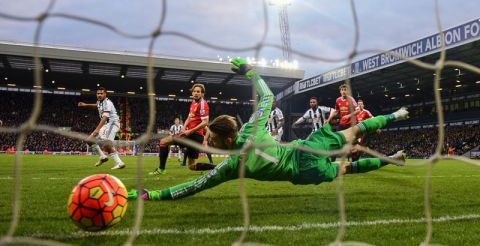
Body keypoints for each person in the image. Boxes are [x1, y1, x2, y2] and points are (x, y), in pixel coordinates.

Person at [128, 58, 409, 201]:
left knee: (347, 168)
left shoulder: (232, 166)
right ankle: (397, 114)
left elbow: (193, 186)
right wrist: (250, 71)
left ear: (227, 139)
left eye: (212, 139)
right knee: (356, 130)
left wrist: (151, 195)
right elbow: (266, 97)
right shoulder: (252, 127)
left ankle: (390, 159)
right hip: (306, 148)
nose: (209, 143)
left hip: (303, 172)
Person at [149, 83, 215, 175]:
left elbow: (205, 122)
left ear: (202, 94)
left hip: (194, 135)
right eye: (194, 91)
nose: (196, 93)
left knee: (164, 142)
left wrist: (189, 131)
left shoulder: (203, 104)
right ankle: (215, 167)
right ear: (192, 93)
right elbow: (189, 117)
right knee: (192, 166)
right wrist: (183, 128)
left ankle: (161, 169)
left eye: (198, 92)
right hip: (191, 135)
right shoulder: (193, 103)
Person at [78, 87, 125, 169]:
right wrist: (86, 105)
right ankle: (102, 157)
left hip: (112, 124)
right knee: (89, 140)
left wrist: (97, 130)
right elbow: (97, 105)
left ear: (105, 94)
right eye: (98, 93)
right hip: (105, 125)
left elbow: (105, 117)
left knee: (106, 143)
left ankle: (120, 163)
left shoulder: (108, 103)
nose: (99, 95)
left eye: (101, 93)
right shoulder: (99, 102)